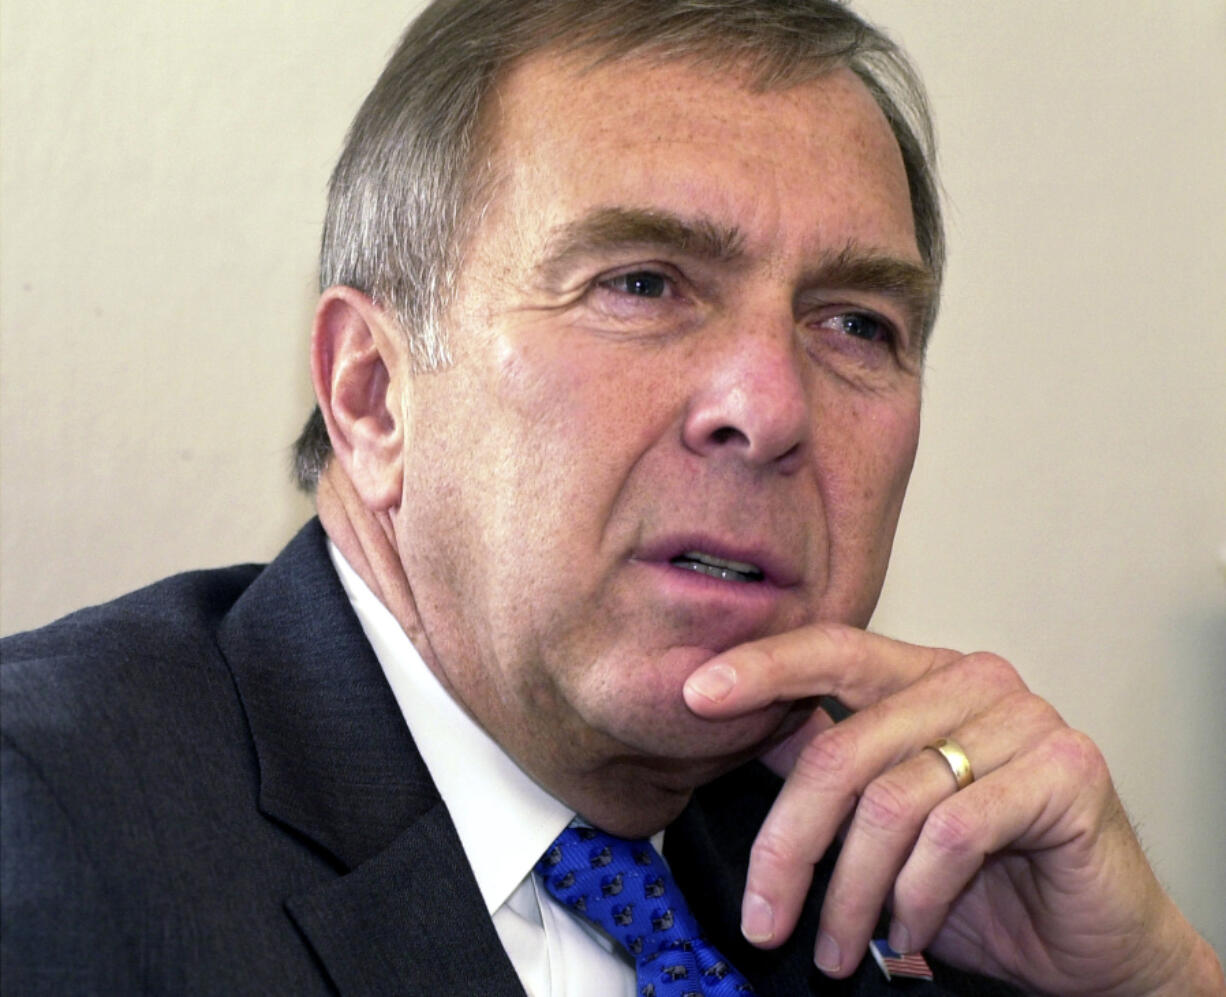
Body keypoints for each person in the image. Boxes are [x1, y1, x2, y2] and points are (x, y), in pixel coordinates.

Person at [2, 0, 1222, 994]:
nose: (770, 404)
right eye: (641, 284)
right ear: (371, 398)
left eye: (853, 322)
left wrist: (1154, 982)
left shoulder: (912, 870)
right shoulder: (47, 827)